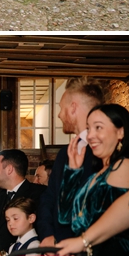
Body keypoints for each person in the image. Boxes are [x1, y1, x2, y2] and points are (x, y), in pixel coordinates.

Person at [57, 102, 129, 256]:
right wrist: (73, 172)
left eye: (98, 127)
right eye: (89, 128)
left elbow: (101, 220)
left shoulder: (125, 166)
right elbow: (66, 218)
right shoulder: (97, 175)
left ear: (120, 132)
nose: (91, 135)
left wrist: (81, 241)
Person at [38, 78, 105, 246]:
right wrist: (48, 235)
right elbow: (49, 197)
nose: (60, 115)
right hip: (60, 250)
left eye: (61, 108)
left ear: (73, 108)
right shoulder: (63, 154)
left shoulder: (103, 153)